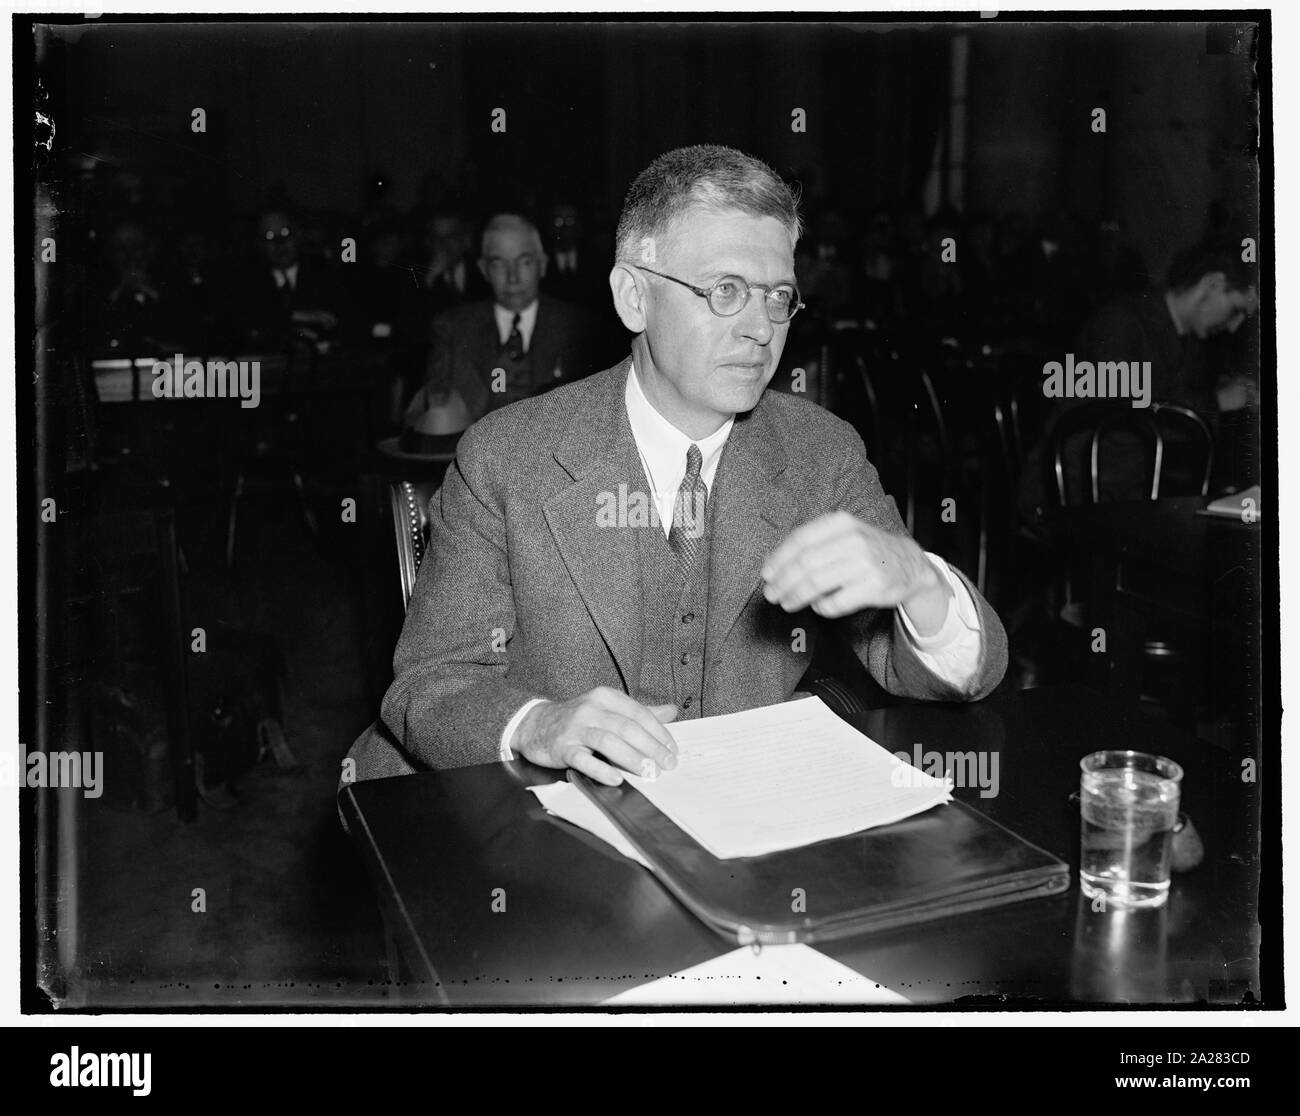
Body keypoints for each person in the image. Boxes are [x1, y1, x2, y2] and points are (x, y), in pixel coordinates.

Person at [347, 145, 1006, 786]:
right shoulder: (506, 458)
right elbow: (431, 684)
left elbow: (959, 671)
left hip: (746, 831)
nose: (760, 328)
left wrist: (921, 581)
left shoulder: (821, 454)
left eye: (779, 296)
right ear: (634, 297)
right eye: (726, 290)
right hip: (553, 835)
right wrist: (538, 724)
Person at [417, 213, 601, 422]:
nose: (512, 278)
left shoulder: (577, 326)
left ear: (542, 264)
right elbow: (435, 414)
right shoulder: (451, 329)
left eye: (524, 262)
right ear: (484, 270)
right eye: (499, 264)